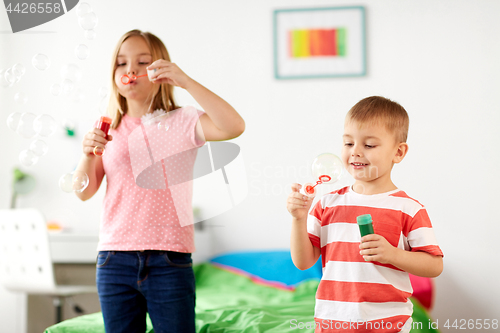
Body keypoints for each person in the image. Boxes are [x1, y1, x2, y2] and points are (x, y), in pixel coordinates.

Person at [75, 29, 245, 333]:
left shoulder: (183, 120)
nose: (130, 70)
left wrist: (186, 81)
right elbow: (84, 192)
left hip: (169, 260)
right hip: (114, 260)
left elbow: (234, 126)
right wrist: (88, 154)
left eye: (142, 62)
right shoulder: (106, 128)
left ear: (160, 70)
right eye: (121, 63)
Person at [286, 96, 443, 332]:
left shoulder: (409, 209)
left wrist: (392, 254)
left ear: (398, 152)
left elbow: (434, 265)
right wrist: (299, 219)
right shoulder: (327, 203)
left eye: (369, 145)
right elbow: (303, 262)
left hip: (389, 324)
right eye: (348, 144)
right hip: (332, 321)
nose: (356, 152)